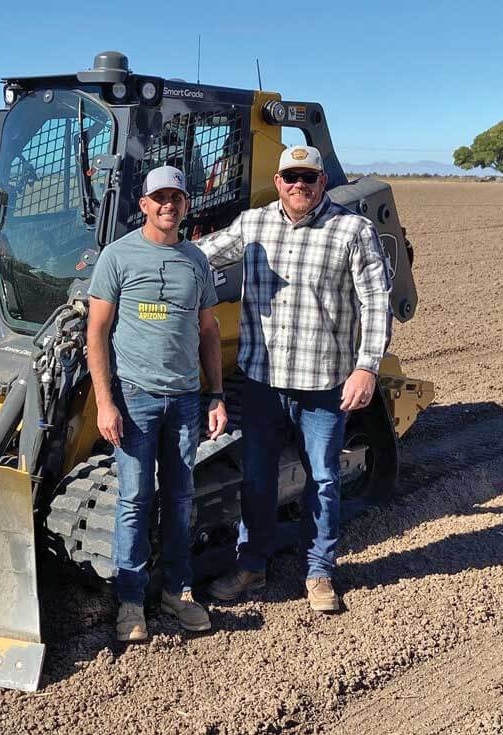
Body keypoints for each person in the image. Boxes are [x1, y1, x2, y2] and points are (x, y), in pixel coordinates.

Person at [196, 145, 392, 612]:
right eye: (291, 177)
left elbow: (377, 303)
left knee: (322, 478)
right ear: (278, 181)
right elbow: (200, 256)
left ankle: (320, 572)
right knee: (258, 478)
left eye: (309, 177)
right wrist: (139, 257)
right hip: (262, 382)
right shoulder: (253, 223)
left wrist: (367, 367)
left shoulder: (352, 230)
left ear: (322, 182)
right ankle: (252, 565)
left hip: (324, 384)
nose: (299, 185)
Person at [86, 165, 228, 642]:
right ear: (144, 204)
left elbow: (208, 331)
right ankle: (130, 601)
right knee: (134, 500)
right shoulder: (118, 256)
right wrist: (105, 403)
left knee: (180, 497)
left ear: (187, 204)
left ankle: (177, 591)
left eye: (177, 197)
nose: (169, 204)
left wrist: (216, 394)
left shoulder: (195, 260)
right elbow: (97, 333)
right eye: (159, 197)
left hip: (186, 401)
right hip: (135, 400)